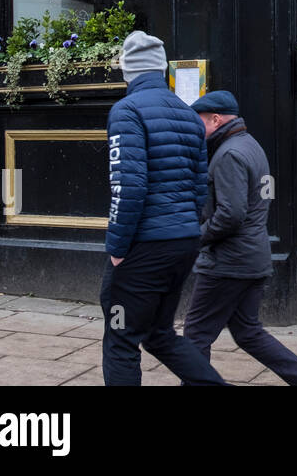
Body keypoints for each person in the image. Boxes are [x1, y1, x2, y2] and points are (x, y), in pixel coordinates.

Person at [182, 91, 297, 385]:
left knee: (196, 334)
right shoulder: (250, 145)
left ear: (215, 119)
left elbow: (231, 214)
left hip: (228, 262)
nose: (194, 129)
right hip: (252, 257)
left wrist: (194, 238)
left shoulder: (228, 154)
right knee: (248, 332)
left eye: (197, 121)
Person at [101, 31, 226, 386]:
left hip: (144, 244)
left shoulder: (126, 111)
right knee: (159, 333)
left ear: (128, 71)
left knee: (120, 336)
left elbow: (128, 185)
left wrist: (117, 248)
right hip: (183, 239)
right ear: (162, 69)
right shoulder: (189, 116)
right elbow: (199, 185)